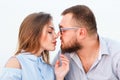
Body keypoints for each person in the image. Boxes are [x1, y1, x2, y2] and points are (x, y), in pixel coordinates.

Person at [0, 12, 69, 80]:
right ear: (33, 34)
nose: (56, 36)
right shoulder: (16, 63)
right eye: (49, 32)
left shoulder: (50, 69)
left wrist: (59, 77)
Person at [58, 5, 120, 80]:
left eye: (63, 30)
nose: (58, 34)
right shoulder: (63, 55)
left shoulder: (116, 54)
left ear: (81, 33)